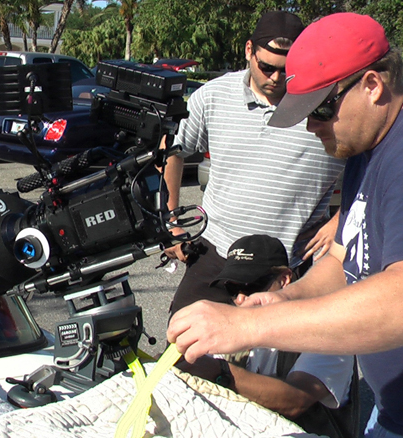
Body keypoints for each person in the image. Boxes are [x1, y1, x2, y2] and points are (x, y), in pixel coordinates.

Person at [167, 12, 403, 437]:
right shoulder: (362, 149)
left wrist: (246, 326)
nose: (312, 127)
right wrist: (286, 298)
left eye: (322, 109)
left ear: (373, 86)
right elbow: (344, 256)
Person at [163, 11, 345, 318]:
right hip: (215, 255)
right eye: (266, 67)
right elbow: (173, 151)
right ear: (249, 50)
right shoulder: (213, 96)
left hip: (288, 268)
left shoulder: (326, 108)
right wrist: (170, 220)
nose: (275, 78)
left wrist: (340, 221)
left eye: (285, 70)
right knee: (185, 351)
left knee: (274, 365)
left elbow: (373, 169)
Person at [175, 234, 357, 437]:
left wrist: (222, 372)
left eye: (250, 286)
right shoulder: (228, 322)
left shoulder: (327, 329)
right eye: (232, 289)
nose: (241, 298)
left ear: (284, 279)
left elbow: (297, 400)